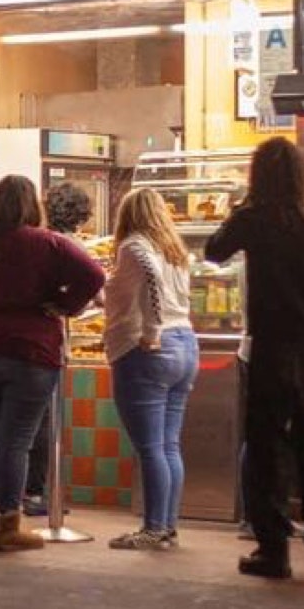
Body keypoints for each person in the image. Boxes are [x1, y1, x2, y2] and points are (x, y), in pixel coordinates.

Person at [205, 137, 304, 579]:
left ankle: (274, 550)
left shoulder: (252, 219)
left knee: (267, 451)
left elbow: (213, 250)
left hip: (270, 348)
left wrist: (241, 206)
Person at [0, 176, 105, 554]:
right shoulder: (47, 243)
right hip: (31, 351)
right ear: (33, 204)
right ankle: (6, 524)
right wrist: (66, 306)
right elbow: (95, 275)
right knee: (16, 441)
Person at [103, 187, 198, 550]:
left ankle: (153, 527)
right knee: (168, 445)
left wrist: (151, 332)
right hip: (185, 344)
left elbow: (150, 280)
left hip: (147, 352)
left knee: (150, 448)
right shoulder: (175, 248)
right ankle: (168, 525)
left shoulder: (135, 247)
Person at [26, 180, 97, 515]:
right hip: (49, 344)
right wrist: (70, 306)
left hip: (21, 344)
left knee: (23, 422)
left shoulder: (35, 242)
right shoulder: (69, 247)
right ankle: (36, 492)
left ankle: (17, 491)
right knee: (43, 421)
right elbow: (97, 287)